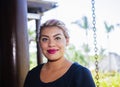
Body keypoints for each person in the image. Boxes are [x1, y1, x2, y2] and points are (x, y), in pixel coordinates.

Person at [24, 19, 96, 87]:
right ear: (40, 43)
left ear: (67, 41)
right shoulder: (32, 74)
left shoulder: (81, 74)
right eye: (45, 39)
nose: (51, 44)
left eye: (57, 38)